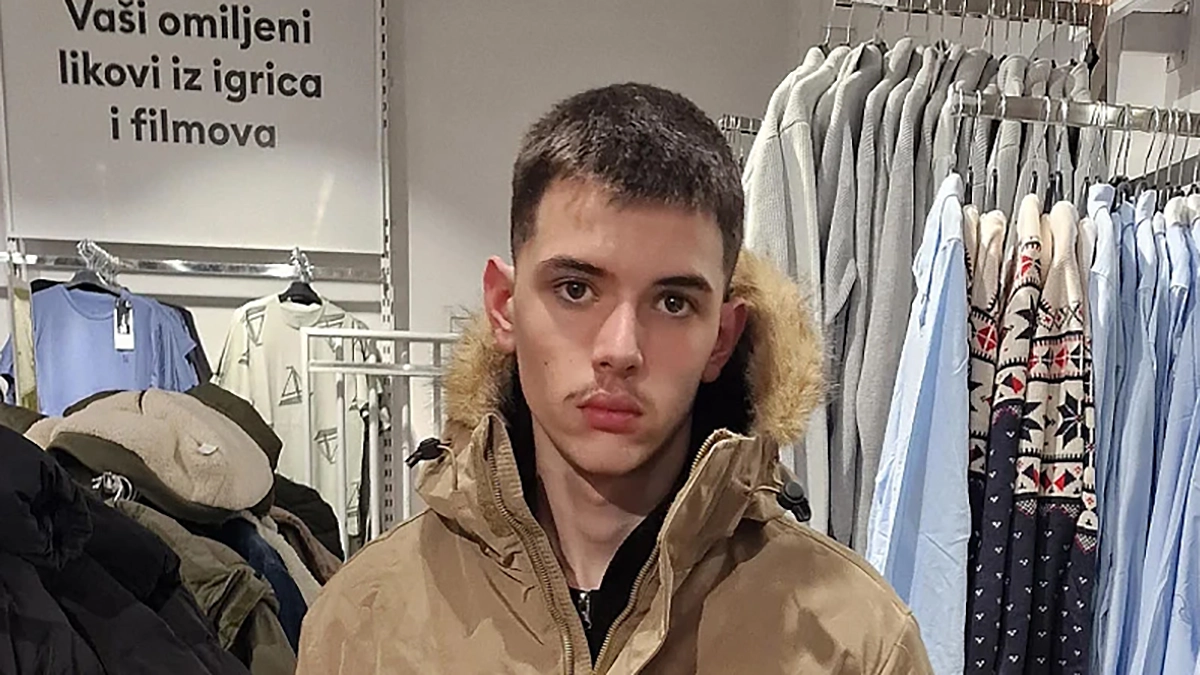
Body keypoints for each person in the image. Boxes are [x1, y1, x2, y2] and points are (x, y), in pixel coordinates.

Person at [296, 83, 933, 674]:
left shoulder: (855, 642)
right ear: (504, 308)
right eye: (575, 289)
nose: (620, 349)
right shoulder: (364, 624)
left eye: (673, 303)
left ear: (722, 337)